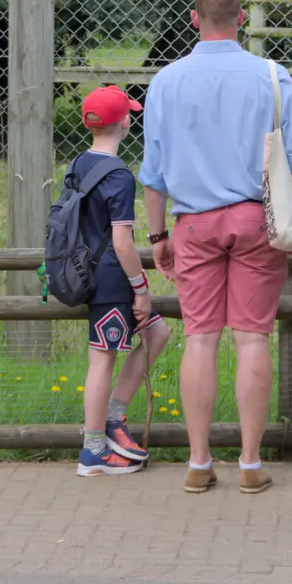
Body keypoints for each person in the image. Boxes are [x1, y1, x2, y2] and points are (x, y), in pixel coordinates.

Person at [141, 0, 292, 495]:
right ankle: (250, 462)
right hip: (255, 220)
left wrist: (157, 234)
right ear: (242, 18)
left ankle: (198, 461)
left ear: (194, 19)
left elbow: (153, 172)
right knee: (252, 337)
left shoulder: (166, 81)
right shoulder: (271, 75)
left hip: (192, 223)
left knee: (200, 338)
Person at [69, 86, 173, 476]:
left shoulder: (79, 164)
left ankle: (113, 420)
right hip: (112, 282)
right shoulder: (119, 177)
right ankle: (93, 451)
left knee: (157, 334)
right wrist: (141, 289)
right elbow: (122, 242)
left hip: (87, 272)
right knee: (102, 360)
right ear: (126, 122)